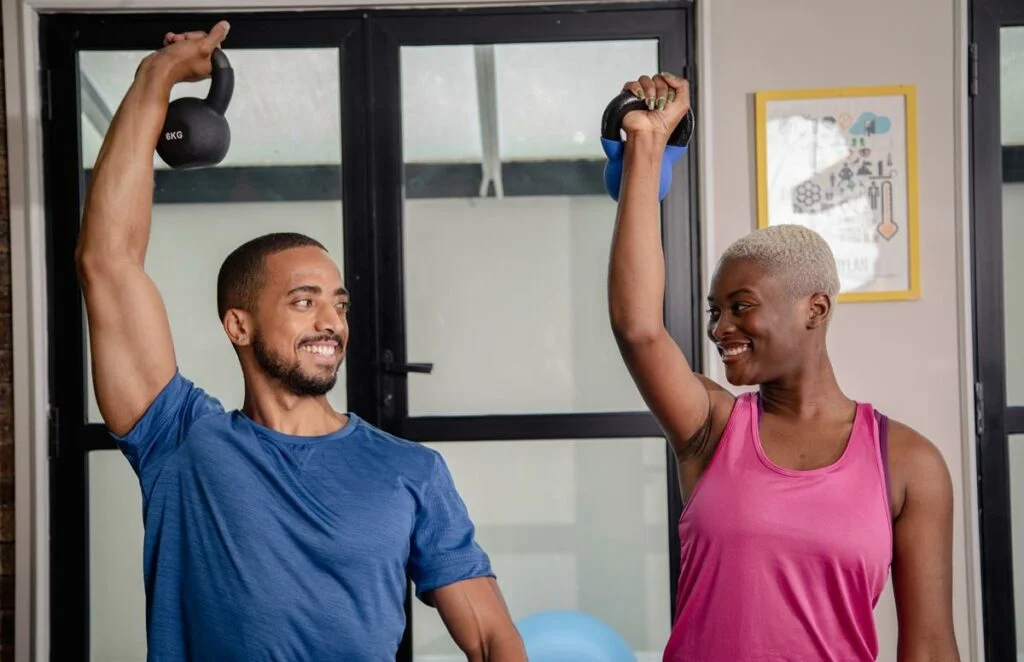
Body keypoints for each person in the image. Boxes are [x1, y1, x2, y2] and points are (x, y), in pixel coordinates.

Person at [76, 21, 526, 662]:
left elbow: (488, 638)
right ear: (239, 326)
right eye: (303, 301)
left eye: (338, 304)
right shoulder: (179, 440)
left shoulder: (410, 472)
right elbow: (108, 262)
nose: (332, 322)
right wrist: (159, 76)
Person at [607, 72, 961, 661]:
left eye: (741, 307)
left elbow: (928, 646)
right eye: (714, 311)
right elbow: (638, 328)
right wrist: (646, 143)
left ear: (814, 309)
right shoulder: (712, 429)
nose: (720, 328)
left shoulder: (908, 463)